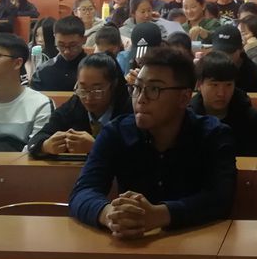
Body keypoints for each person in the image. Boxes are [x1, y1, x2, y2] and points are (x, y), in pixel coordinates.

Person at [68, 47, 236, 237]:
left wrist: (160, 215)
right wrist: (110, 215)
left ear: (184, 98)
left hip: (197, 242)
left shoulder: (213, 135)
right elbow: (82, 191)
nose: (141, 99)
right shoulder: (116, 132)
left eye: (154, 89)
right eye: (137, 88)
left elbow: (221, 198)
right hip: (131, 243)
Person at [29, 53, 133, 158]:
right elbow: (37, 138)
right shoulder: (74, 105)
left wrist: (97, 147)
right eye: (83, 89)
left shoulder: (130, 110)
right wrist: (45, 146)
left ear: (114, 85)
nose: (88, 97)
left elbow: (137, 155)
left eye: (97, 90)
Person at [190, 51, 257, 157]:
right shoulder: (188, 119)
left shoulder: (251, 118)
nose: (221, 93)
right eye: (214, 85)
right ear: (199, 84)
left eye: (228, 85)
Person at [32, 16, 87, 92]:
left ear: (84, 40)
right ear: (55, 38)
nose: (66, 51)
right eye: (61, 45)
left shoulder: (94, 69)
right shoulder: (44, 71)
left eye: (73, 45)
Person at [210, 25, 257, 92]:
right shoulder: (207, 69)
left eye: (229, 52)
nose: (224, 56)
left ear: (241, 49)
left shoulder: (253, 73)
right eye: (219, 52)